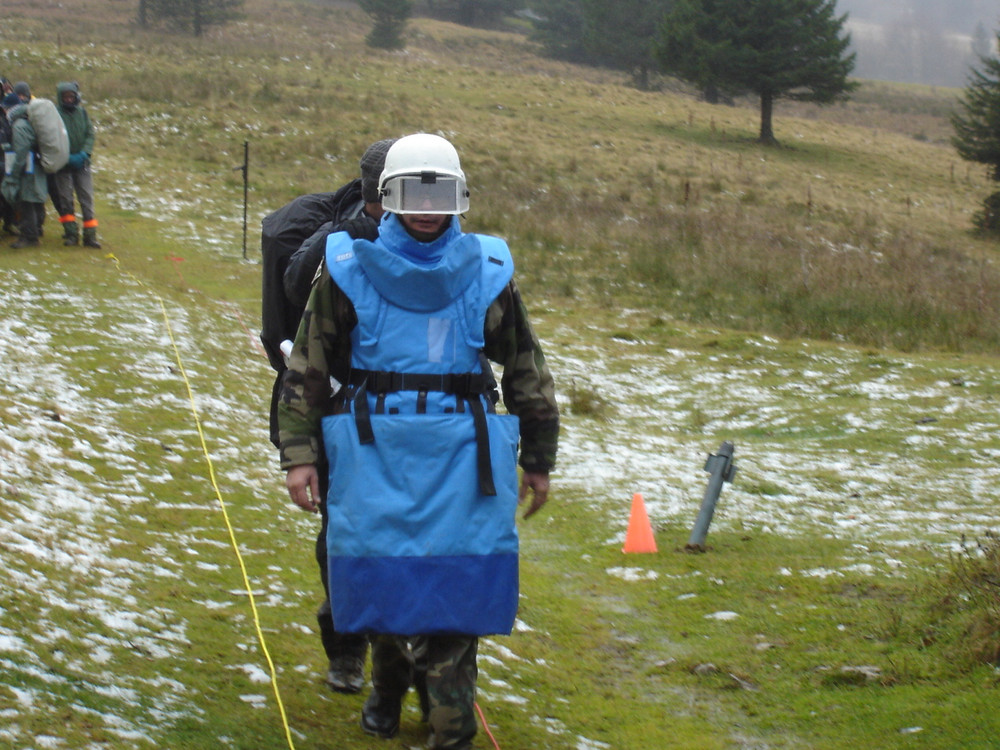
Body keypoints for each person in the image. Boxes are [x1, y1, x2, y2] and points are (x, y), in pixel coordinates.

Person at [277, 133, 559, 749]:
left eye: (441, 193)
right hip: (373, 451)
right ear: (386, 197)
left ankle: (451, 731)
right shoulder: (347, 270)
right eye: (411, 191)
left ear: (460, 199)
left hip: (466, 456)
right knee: (384, 575)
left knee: (456, 592)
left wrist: (538, 455)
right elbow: (308, 366)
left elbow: (525, 366)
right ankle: (385, 686)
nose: (427, 207)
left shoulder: (489, 272)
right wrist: (299, 456)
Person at [260, 138, 396, 694]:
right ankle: (347, 648)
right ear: (374, 193)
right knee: (345, 535)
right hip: (341, 409)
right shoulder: (342, 234)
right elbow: (296, 286)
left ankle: (411, 660)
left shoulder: (444, 238)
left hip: (420, 417)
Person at [53, 81, 100, 248]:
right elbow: (52, 138)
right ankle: (71, 235)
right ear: (60, 97)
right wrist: (64, 157)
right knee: (66, 200)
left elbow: (90, 135)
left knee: (86, 198)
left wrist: (84, 153)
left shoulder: (83, 113)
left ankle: (90, 237)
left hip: (82, 164)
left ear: (76, 96)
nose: (68, 99)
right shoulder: (55, 114)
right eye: (65, 96)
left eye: (71, 96)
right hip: (62, 165)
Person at [1, 93, 47, 248]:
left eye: (5, 108)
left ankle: (29, 237)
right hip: (35, 165)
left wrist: (13, 174)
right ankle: (35, 231)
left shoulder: (19, 125)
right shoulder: (28, 120)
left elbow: (21, 152)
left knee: (26, 201)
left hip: (27, 168)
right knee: (35, 201)